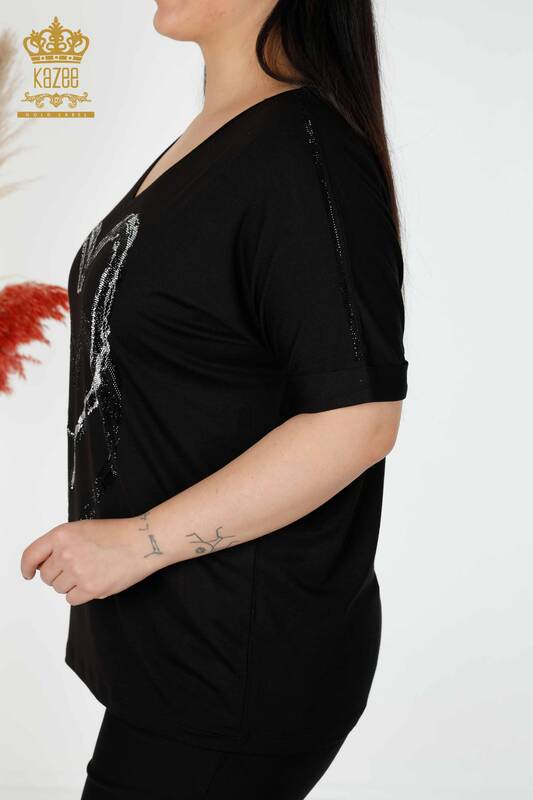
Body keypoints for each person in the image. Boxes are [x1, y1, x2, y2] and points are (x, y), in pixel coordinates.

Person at [20, 1, 409, 797]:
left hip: (235, 665)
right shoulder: (221, 134)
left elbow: (357, 420)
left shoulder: (304, 150)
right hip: (177, 653)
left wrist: (136, 544)